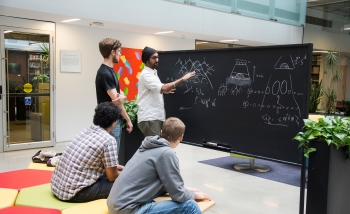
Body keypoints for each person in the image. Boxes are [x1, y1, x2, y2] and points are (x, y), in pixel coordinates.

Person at [107, 117, 211, 214]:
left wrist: (189, 189)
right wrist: (195, 195)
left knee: (162, 189)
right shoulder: (166, 153)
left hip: (114, 203)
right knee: (190, 205)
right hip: (127, 210)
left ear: (161, 132)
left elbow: (167, 185)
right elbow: (179, 195)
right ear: (181, 137)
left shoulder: (147, 145)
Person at [51, 102, 124, 202]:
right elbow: (112, 176)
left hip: (58, 187)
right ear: (114, 122)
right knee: (126, 183)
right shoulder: (109, 140)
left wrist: (122, 168)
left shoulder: (85, 131)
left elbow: (108, 165)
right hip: (75, 193)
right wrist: (128, 172)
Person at [137, 46, 196, 137]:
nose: (157, 60)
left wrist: (162, 91)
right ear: (146, 59)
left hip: (156, 117)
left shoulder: (153, 73)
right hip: (150, 118)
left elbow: (157, 89)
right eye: (154, 58)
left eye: (157, 57)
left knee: (156, 146)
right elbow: (163, 87)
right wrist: (182, 79)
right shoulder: (146, 75)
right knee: (154, 147)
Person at [95, 38, 133, 153]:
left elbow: (120, 93)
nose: (120, 54)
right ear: (112, 52)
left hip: (112, 120)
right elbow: (117, 100)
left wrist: (122, 96)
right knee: (111, 158)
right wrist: (128, 119)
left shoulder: (110, 70)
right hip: (110, 121)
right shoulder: (105, 73)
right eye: (119, 51)